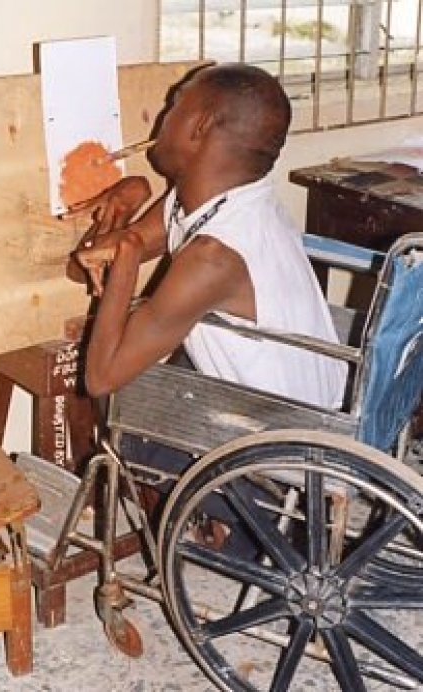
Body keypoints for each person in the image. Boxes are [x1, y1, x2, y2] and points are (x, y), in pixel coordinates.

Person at [67, 63, 348, 549]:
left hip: (284, 437)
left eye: (175, 104)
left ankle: (248, 520)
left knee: (129, 417)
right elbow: (86, 266)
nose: (162, 116)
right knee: (163, 357)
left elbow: (100, 377)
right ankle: (234, 518)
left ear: (199, 127)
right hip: (307, 401)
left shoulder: (214, 256)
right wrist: (128, 200)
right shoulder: (218, 199)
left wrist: (128, 257)